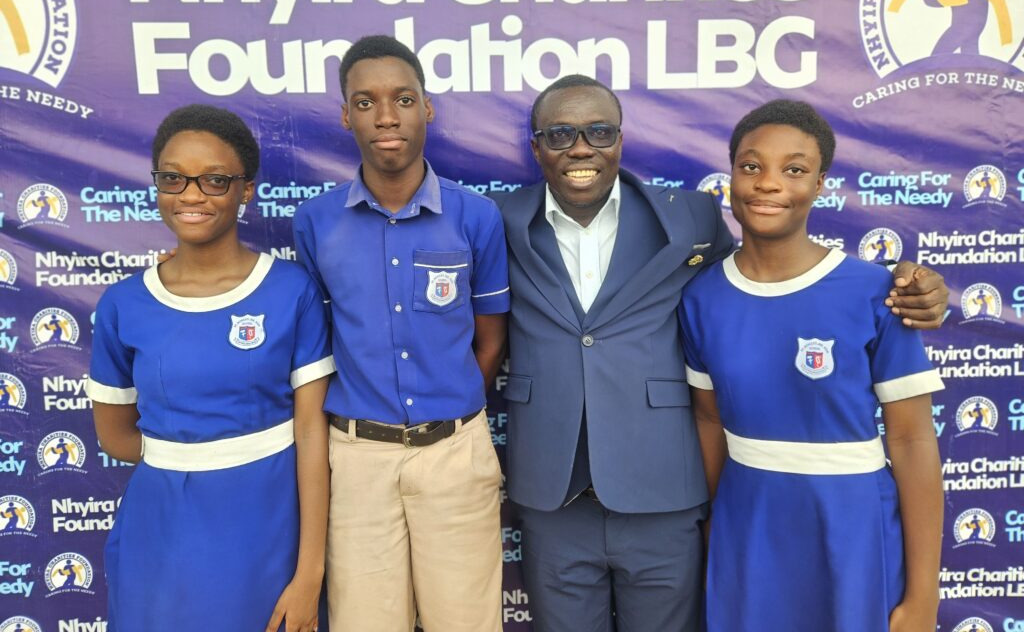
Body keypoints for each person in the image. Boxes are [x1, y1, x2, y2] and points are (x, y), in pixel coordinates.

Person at [493, 75, 949, 632]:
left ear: (620, 139)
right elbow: (713, 401)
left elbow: (909, 434)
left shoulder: (692, 220)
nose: (582, 147)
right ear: (537, 145)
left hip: (701, 499)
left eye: (599, 131)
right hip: (575, 495)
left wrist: (917, 286)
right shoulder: (496, 221)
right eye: (561, 133)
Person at [682, 99, 943, 631]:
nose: (768, 183)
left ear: (820, 184)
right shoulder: (701, 296)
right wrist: (714, 531)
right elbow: (708, 420)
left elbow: (913, 440)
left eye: (794, 169)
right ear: (730, 176)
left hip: (852, 528)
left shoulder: (877, 291)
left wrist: (924, 597)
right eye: (751, 166)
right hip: (748, 526)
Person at [86, 105, 333, 632]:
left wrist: (310, 572)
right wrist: (188, 457)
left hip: (269, 524)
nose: (191, 195)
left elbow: (313, 435)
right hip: (160, 530)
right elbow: (114, 436)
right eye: (173, 178)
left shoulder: (291, 291)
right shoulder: (123, 304)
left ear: (246, 191)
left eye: (214, 180)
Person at [292, 35, 509, 632]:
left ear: (427, 108)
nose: (386, 117)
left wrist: (448, 412)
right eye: (365, 102)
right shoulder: (315, 222)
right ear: (346, 115)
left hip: (455, 456)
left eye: (403, 99)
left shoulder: (476, 216)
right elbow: (317, 342)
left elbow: (491, 339)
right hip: (357, 461)